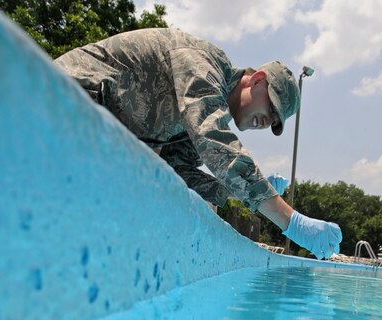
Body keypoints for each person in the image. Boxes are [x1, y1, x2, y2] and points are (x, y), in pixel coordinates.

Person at [55, 28, 342, 259]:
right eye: (272, 108)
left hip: (91, 141)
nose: (268, 121)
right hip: (61, 100)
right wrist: (291, 221)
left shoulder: (197, 116)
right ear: (256, 80)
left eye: (275, 122)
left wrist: (233, 191)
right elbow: (213, 138)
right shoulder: (204, 63)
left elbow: (176, 170)